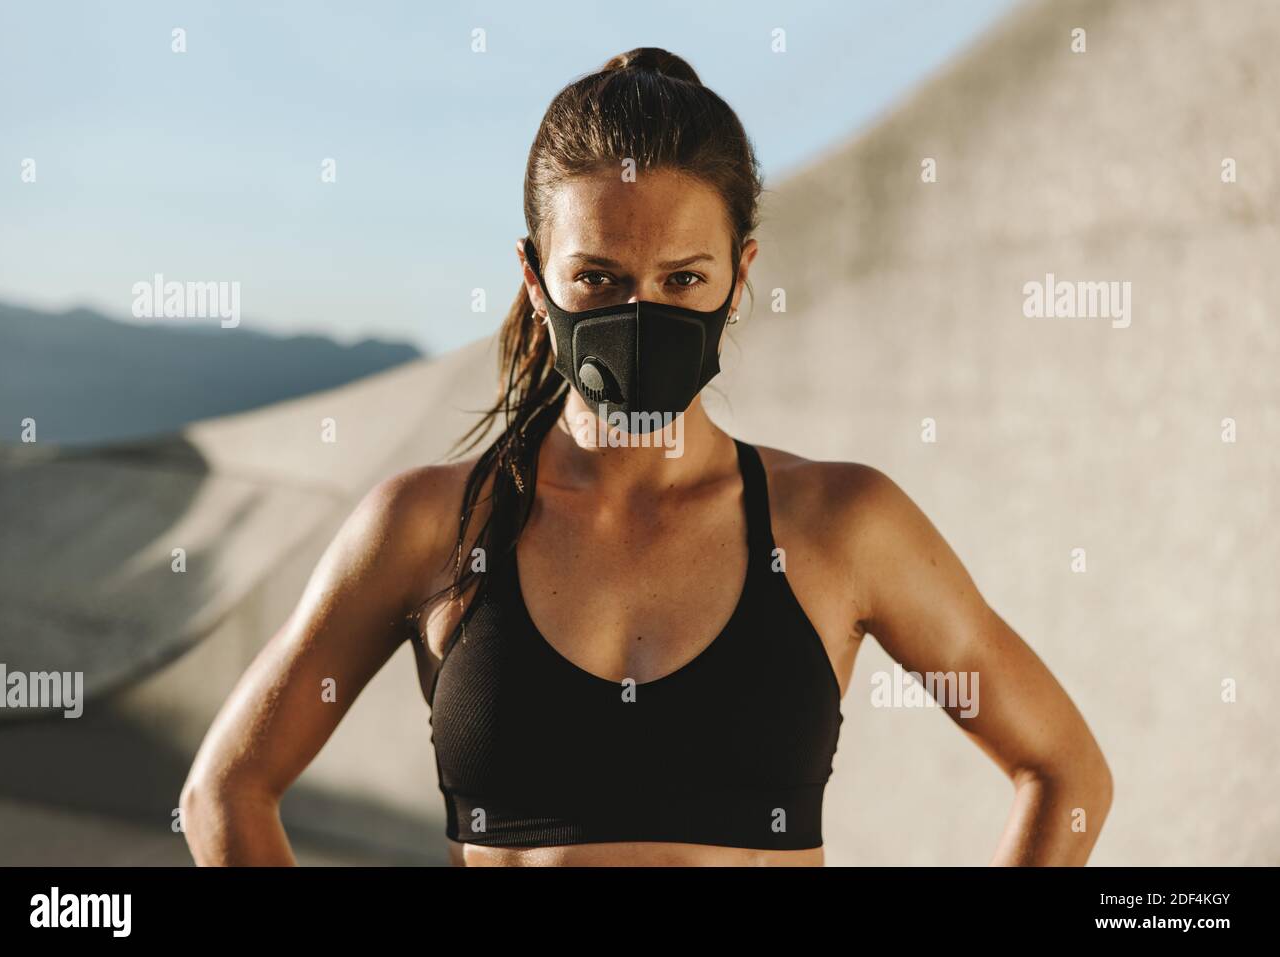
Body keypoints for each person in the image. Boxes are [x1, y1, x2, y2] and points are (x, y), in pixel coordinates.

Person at [181, 47, 1113, 867]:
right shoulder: (431, 524)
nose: (641, 314)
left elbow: (1064, 770)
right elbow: (224, 791)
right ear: (535, 279)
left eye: (682, 280)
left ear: (739, 278)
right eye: (599, 278)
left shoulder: (840, 523)